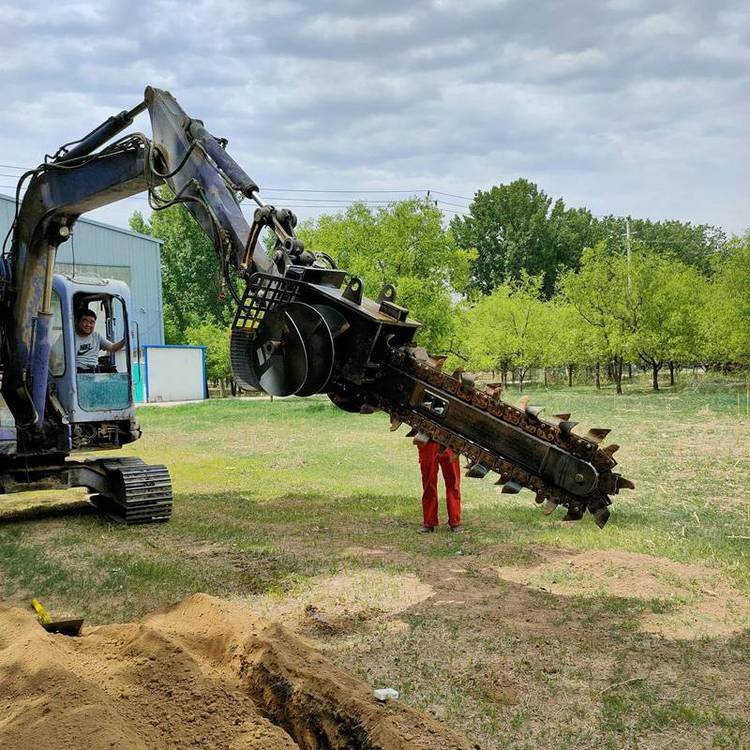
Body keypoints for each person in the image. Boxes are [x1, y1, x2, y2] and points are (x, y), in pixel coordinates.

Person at [416, 439, 462, 533]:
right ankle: (429, 522)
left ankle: (455, 522)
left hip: (449, 441)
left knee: (453, 483)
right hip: (427, 441)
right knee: (428, 483)